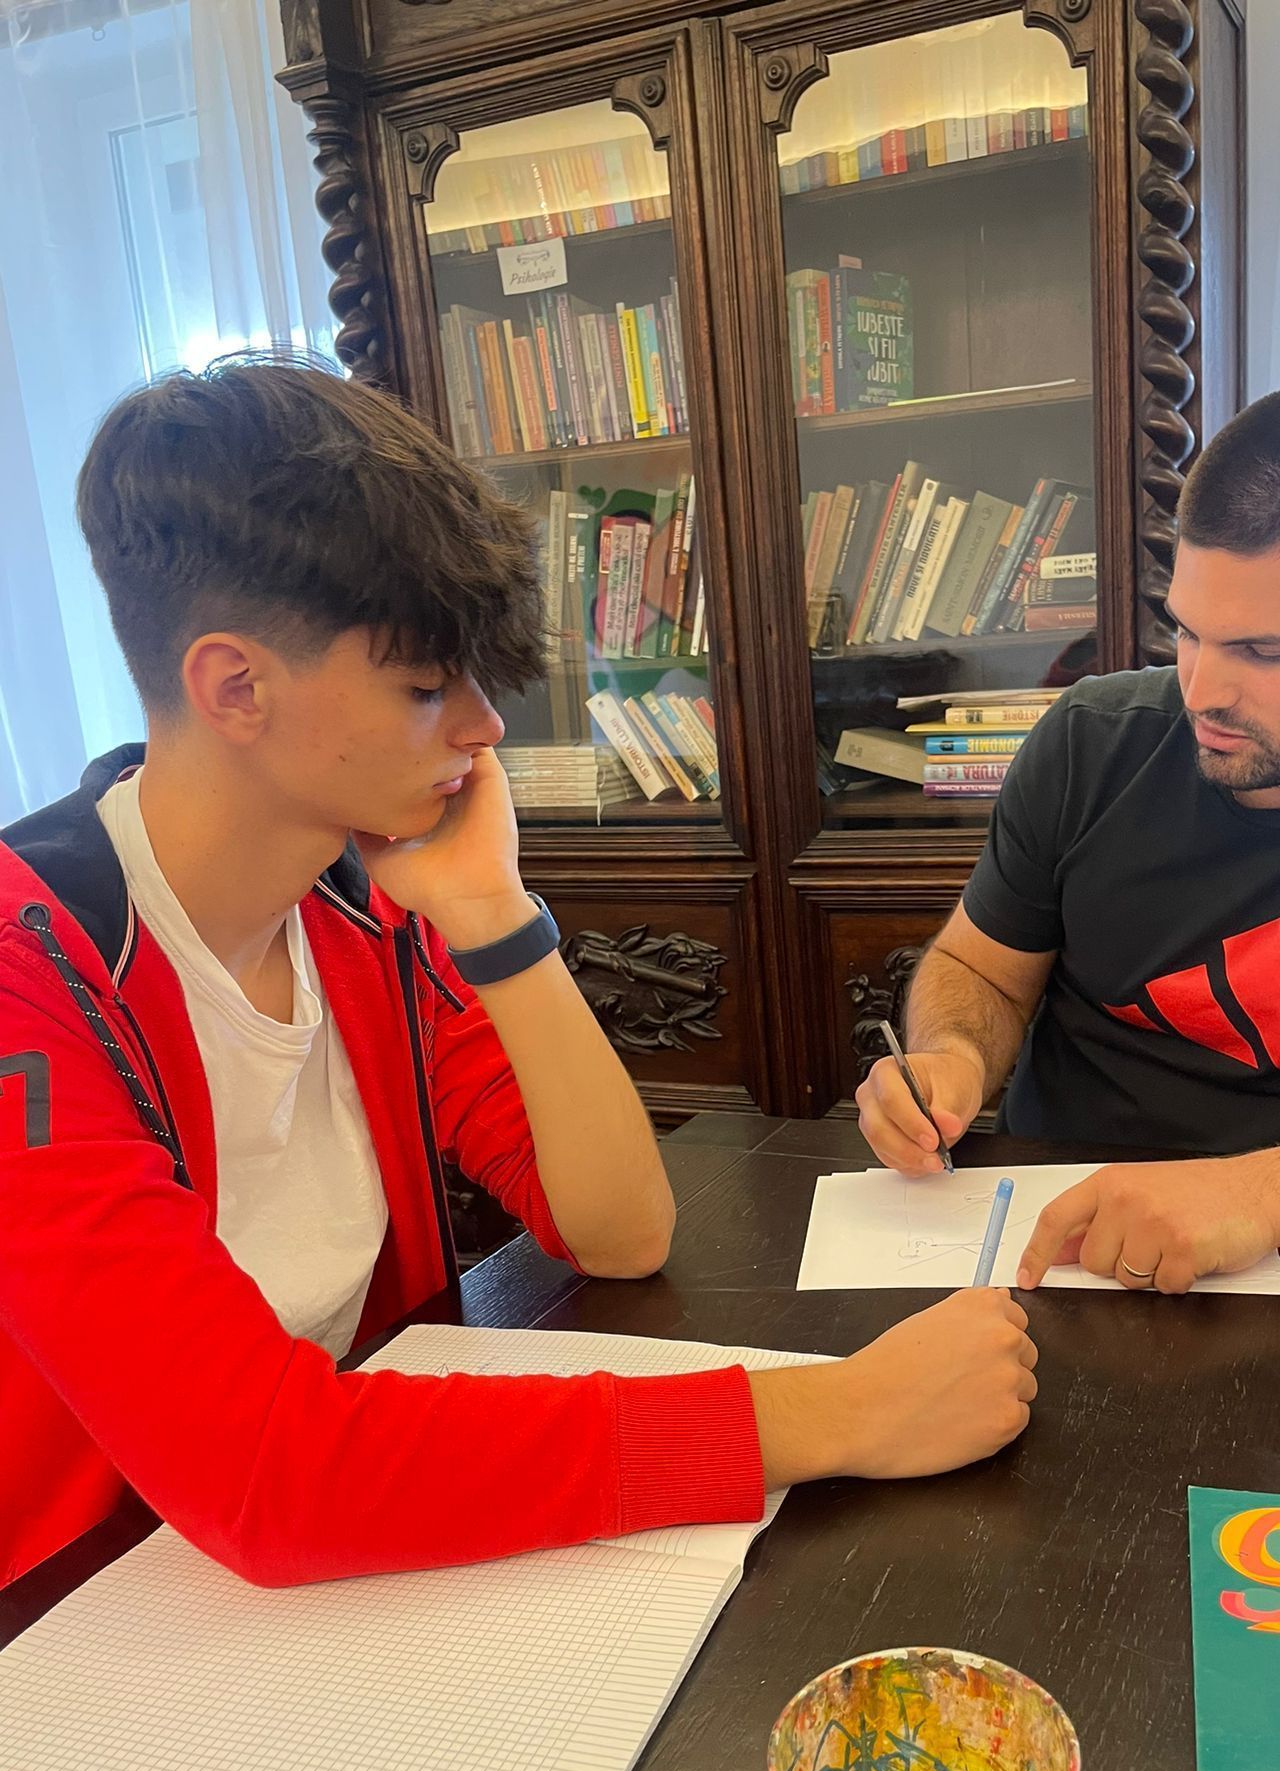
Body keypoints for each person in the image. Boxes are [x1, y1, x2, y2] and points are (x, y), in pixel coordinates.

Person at [0, 358, 1037, 1594]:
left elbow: (618, 1230)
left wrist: (496, 915)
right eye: (427, 686)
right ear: (235, 687)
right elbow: (264, 1469)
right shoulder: (37, 974)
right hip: (91, 1609)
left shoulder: (362, 901)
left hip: (342, 1548)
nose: (486, 727)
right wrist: (837, 1415)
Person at [858, 377, 1280, 1294]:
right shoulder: (1092, 742)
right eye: (1186, 632)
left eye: (1263, 651)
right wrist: (952, 1057)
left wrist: (1258, 1192)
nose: (1202, 692)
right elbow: (981, 971)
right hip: (1046, 1250)